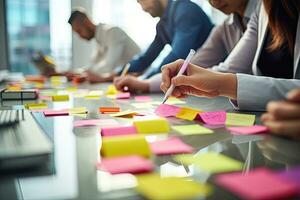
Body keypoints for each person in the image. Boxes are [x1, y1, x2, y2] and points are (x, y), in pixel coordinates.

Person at [160, 0, 300, 111]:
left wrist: (224, 84)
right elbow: (224, 68)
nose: (214, 2)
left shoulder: (184, 11)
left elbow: (229, 69)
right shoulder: (262, 9)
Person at [114, 0, 259, 93]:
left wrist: (145, 81)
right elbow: (189, 64)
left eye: (141, 1)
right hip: (223, 92)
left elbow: (178, 55)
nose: (213, 2)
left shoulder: (185, 10)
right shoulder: (225, 26)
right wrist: (144, 82)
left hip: (227, 90)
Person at [68, 8, 141, 82]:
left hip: (139, 79)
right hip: (124, 79)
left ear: (86, 22)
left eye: (79, 31)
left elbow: (109, 66)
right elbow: (93, 65)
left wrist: (84, 74)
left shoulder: (113, 32)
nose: (80, 36)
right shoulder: (98, 40)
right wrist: (75, 72)